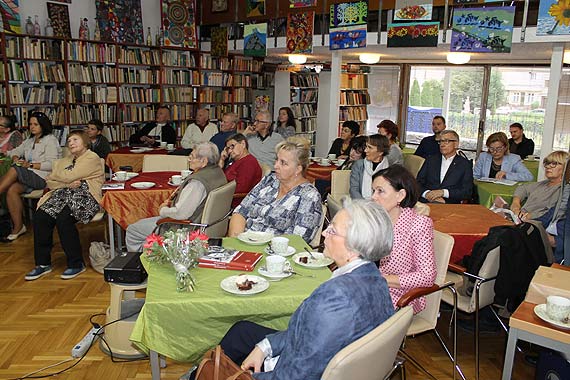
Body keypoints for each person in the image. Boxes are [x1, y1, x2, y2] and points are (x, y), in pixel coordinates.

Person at [200, 199, 394, 380]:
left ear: (353, 247)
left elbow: (298, 373)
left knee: (217, 367)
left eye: (332, 230)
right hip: (329, 358)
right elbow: (307, 335)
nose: (325, 233)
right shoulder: (376, 280)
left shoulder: (334, 299)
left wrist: (249, 377)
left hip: (300, 371)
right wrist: (265, 347)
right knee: (242, 331)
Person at [24, 130, 104, 281]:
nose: (71, 143)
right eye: (69, 141)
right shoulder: (65, 160)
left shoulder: (92, 157)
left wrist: (60, 176)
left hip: (86, 197)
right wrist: (64, 181)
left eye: (75, 139)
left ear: (85, 142)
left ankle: (76, 263)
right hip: (61, 195)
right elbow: (50, 181)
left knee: (64, 218)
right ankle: (42, 264)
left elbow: (69, 175)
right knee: (41, 216)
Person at [125, 142, 227, 252]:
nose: (189, 159)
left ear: (204, 161)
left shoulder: (197, 183)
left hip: (186, 227)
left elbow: (181, 214)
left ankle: (143, 263)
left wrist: (163, 210)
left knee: (133, 230)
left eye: (192, 157)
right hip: (211, 225)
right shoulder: (218, 172)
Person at [228, 138, 322, 243]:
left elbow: (298, 239)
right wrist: (236, 242)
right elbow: (241, 211)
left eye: (283, 163)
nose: (276, 166)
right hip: (245, 242)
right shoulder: (269, 180)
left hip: (275, 253)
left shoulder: (309, 196)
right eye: (276, 160)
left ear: (298, 169)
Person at [371, 165, 436, 314]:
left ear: (400, 195)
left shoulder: (418, 224)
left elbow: (427, 276)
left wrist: (383, 279)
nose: (374, 197)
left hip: (400, 297)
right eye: (373, 191)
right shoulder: (376, 221)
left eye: (380, 191)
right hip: (371, 288)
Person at [2, 112, 62, 241]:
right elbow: (12, 152)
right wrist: (15, 156)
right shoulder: (29, 140)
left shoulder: (50, 140)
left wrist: (31, 165)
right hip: (29, 175)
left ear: (43, 125)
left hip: (43, 177)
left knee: (14, 169)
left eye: (36, 124)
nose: (32, 127)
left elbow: (53, 164)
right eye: (30, 124)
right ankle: (18, 227)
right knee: (12, 190)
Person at [416, 130, 473, 204]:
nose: (442, 145)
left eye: (446, 141)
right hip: (426, 201)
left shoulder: (465, 164)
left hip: (450, 203)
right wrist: (426, 194)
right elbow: (417, 183)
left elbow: (467, 192)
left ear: (456, 144)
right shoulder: (431, 160)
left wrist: (443, 193)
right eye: (440, 141)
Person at [510, 151, 569, 221]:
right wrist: (516, 203)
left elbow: (551, 213)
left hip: (535, 224)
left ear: (565, 167)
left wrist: (528, 216)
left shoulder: (563, 191)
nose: (547, 166)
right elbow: (523, 187)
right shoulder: (543, 184)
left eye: (554, 163)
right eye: (547, 163)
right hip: (520, 219)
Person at [219, 133, 262, 208]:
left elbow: (241, 189)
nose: (229, 151)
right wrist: (222, 160)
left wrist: (219, 193)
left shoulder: (249, 162)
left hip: (235, 203)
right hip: (225, 197)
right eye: (227, 148)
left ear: (243, 144)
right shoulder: (236, 161)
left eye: (232, 146)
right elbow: (222, 178)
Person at [349, 134, 390, 199]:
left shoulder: (389, 169)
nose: (365, 150)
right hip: (360, 204)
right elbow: (354, 190)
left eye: (370, 147)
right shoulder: (359, 165)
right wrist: (365, 206)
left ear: (380, 152)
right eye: (366, 146)